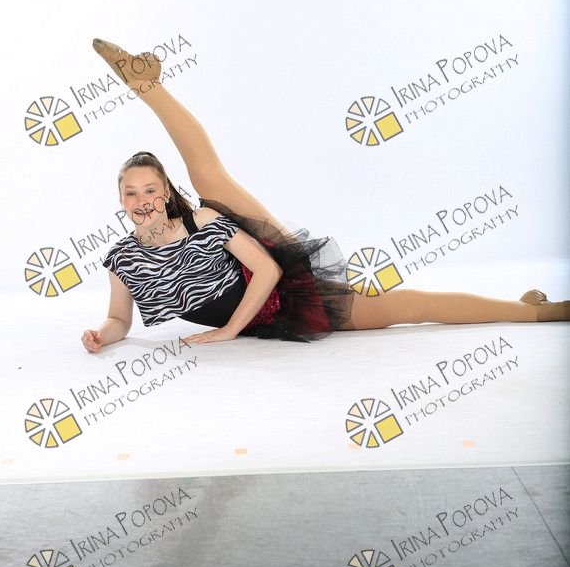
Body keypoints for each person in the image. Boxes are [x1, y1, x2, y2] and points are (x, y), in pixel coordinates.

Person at [81, 40, 569, 353]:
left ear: (167, 193)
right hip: (266, 309)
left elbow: (269, 271)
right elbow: (120, 318)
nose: (142, 200)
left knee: (210, 181)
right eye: (131, 193)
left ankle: (148, 86)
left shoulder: (201, 221)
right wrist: (102, 335)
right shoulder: (123, 258)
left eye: (151, 189)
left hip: (284, 284)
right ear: (120, 201)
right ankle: (521, 304)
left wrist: (229, 331)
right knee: (399, 309)